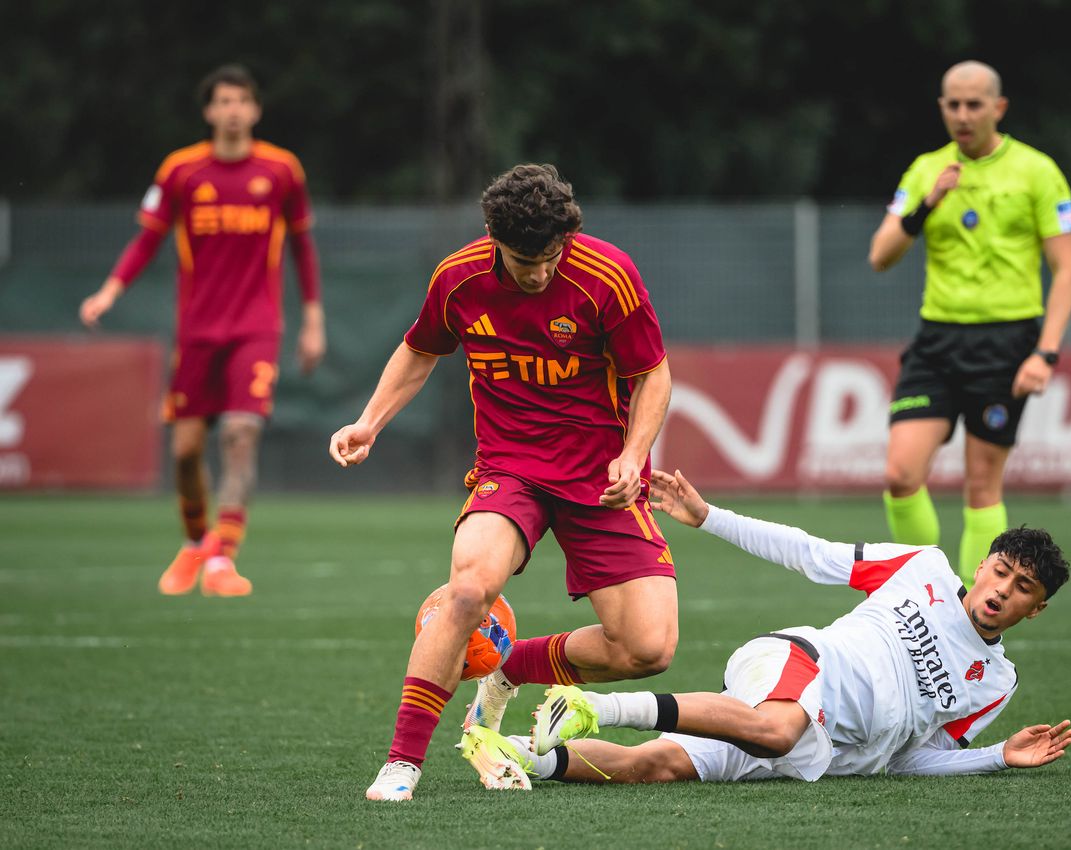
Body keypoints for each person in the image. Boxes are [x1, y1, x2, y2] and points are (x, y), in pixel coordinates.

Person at [329, 163, 676, 802]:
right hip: (509, 468)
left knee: (646, 649)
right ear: (493, 235)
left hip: (602, 479)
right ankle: (402, 763)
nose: (540, 272)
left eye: (551, 256)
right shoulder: (458, 278)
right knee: (467, 591)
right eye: (524, 260)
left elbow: (653, 374)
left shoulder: (608, 276)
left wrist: (633, 455)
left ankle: (508, 667)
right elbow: (421, 348)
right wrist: (369, 422)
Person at [456, 468, 1071, 789]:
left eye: (1023, 589)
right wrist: (708, 517)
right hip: (804, 667)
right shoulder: (923, 568)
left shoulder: (995, 683)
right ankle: (597, 704)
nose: (1001, 591)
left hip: (823, 752)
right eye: (1000, 571)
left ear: (1035, 609)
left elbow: (913, 761)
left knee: (655, 768)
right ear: (982, 563)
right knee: (775, 728)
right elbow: (810, 553)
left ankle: (515, 757)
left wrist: (996, 756)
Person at [79, 64, 325, 597]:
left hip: (257, 328)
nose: (233, 110)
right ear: (209, 111)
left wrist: (312, 318)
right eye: (224, 101)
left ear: (255, 110)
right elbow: (146, 240)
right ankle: (195, 546)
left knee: (241, 435)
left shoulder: (282, 171)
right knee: (186, 451)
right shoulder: (181, 171)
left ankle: (223, 561)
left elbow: (303, 247)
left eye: (242, 101)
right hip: (196, 332)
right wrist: (109, 291)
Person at [867, 60, 1071, 586]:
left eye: (974, 104)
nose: (963, 115)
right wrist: (927, 203)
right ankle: (920, 593)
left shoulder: (1036, 171)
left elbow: (1068, 270)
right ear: (941, 108)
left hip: (1007, 343)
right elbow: (880, 255)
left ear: (998, 108)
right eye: (953, 105)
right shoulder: (926, 170)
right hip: (938, 340)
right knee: (900, 475)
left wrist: (1045, 351)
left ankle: (971, 621)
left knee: (981, 485)